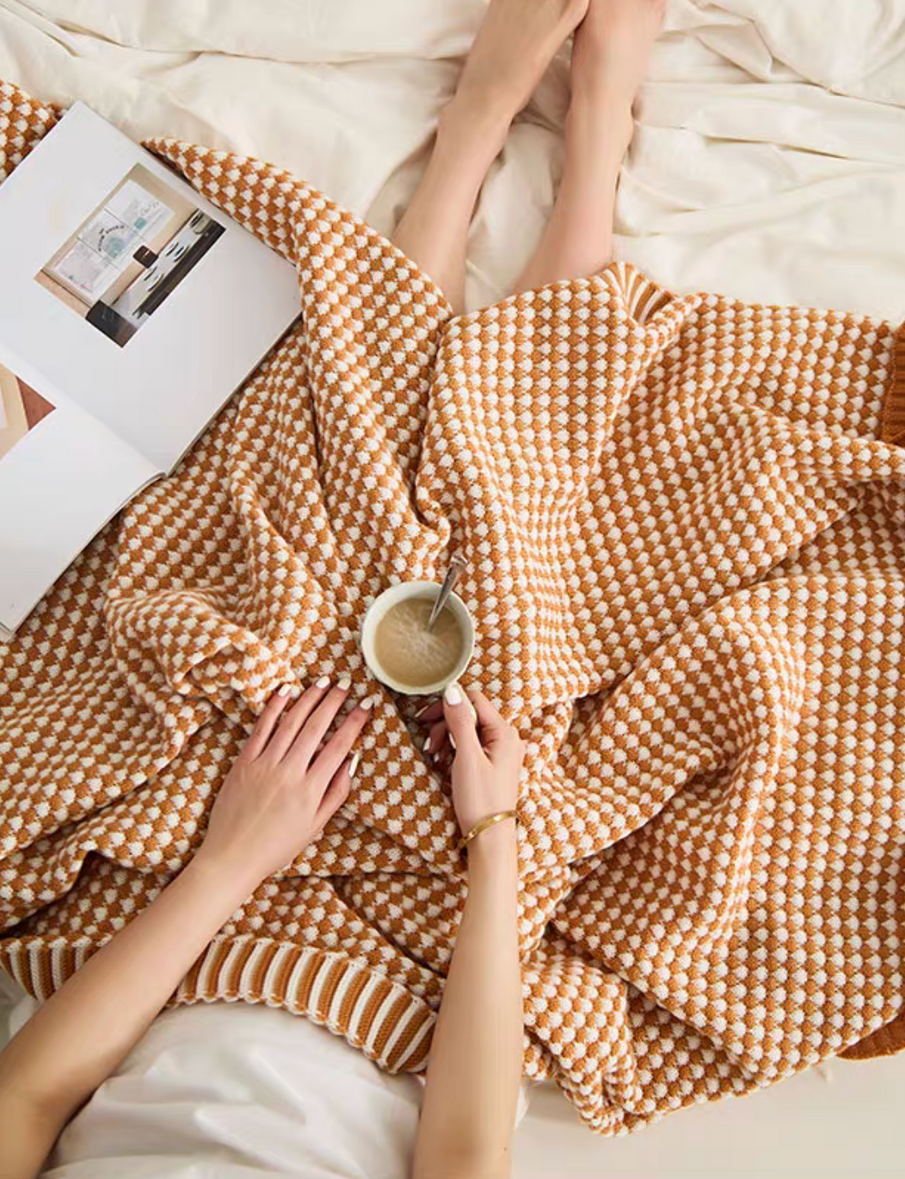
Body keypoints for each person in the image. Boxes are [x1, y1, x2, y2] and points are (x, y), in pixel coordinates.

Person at [0, 0, 664, 1175]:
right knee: (515, 594)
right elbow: (467, 1146)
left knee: (288, 528)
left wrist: (229, 858)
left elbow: (30, 1094)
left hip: (139, 936)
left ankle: (470, 135)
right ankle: (596, 143)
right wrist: (494, 833)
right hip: (397, 976)